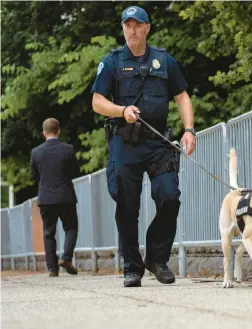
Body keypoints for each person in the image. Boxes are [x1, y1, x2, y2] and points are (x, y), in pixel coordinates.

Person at [90, 5, 196, 288]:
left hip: (158, 142)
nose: (132, 29)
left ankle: (157, 259)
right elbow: (97, 101)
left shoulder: (164, 60)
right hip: (124, 142)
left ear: (147, 28)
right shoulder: (112, 62)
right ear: (123, 28)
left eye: (138, 25)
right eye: (127, 25)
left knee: (169, 196)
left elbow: (182, 96)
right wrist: (121, 110)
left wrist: (189, 130)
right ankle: (132, 267)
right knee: (127, 205)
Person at [30, 118, 80, 277]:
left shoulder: (36, 152)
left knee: (48, 233)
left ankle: (52, 268)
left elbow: (33, 176)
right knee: (71, 227)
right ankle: (66, 258)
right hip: (66, 196)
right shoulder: (68, 149)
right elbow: (75, 172)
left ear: (44, 133)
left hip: (46, 198)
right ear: (58, 131)